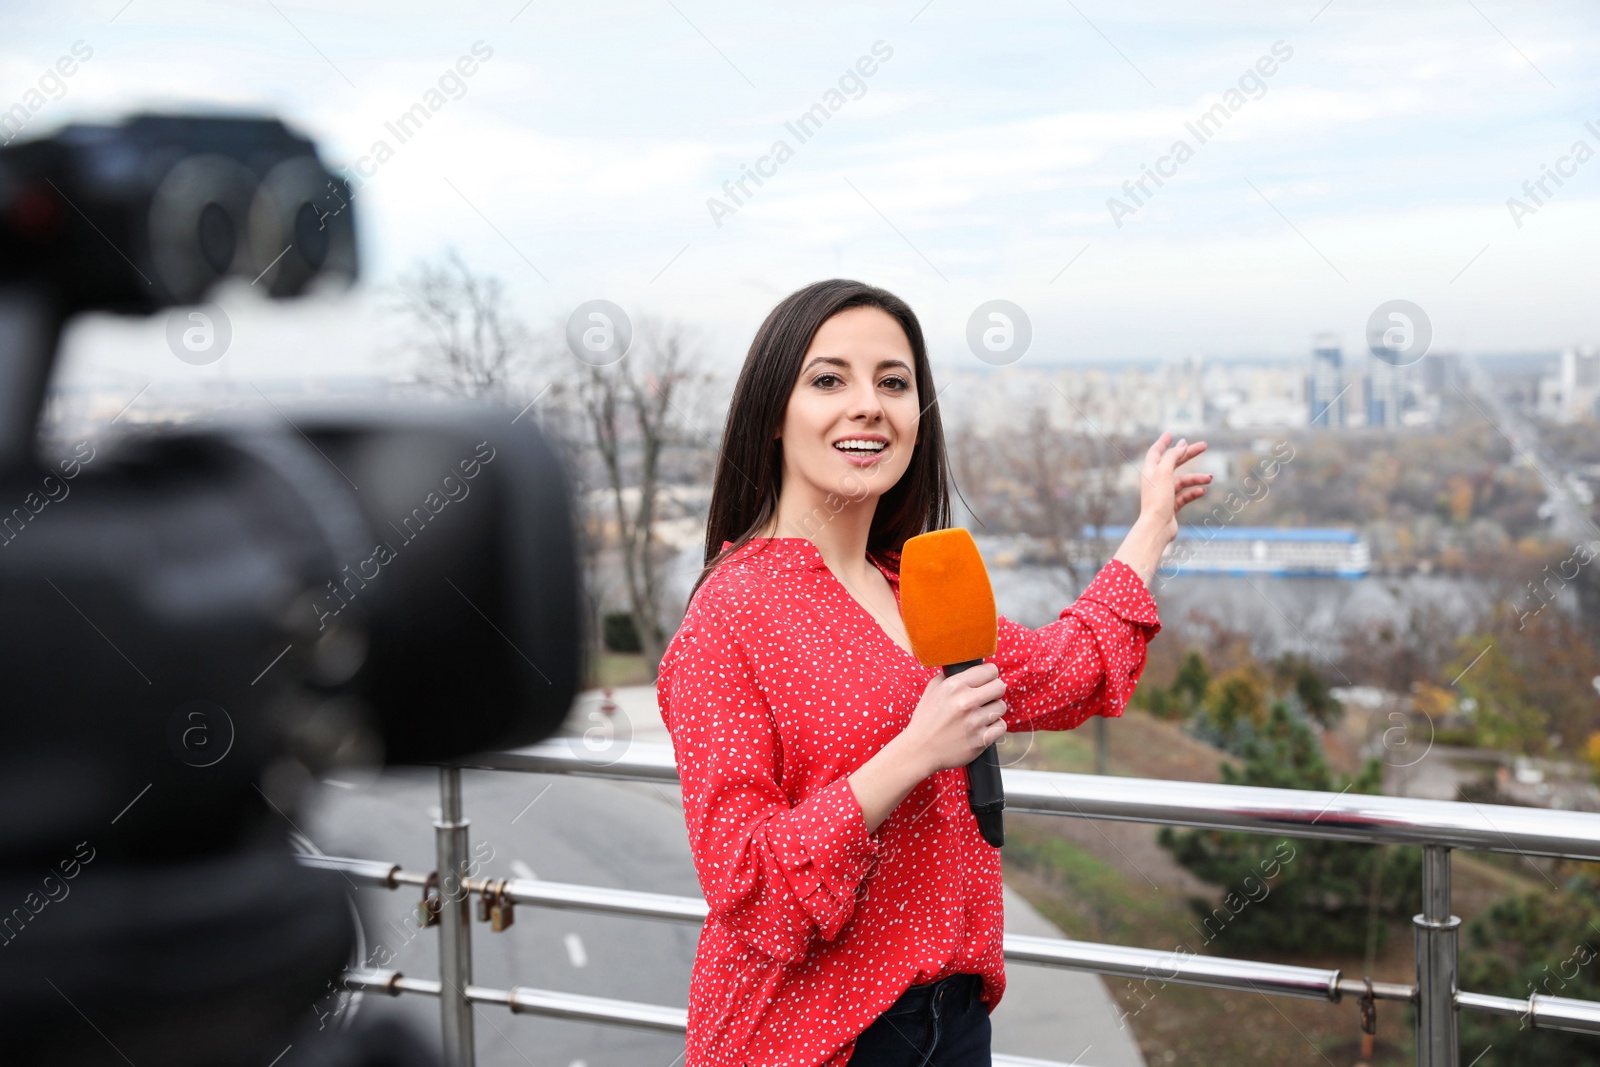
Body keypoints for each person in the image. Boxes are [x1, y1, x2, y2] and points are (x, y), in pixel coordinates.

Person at [656, 279, 1210, 1066]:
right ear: (773, 416)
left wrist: (1152, 525)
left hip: (952, 1025)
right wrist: (916, 751)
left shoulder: (923, 587)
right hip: (811, 1039)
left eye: (894, 381)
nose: (869, 405)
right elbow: (750, 888)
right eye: (828, 379)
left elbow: (1072, 669)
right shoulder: (729, 617)